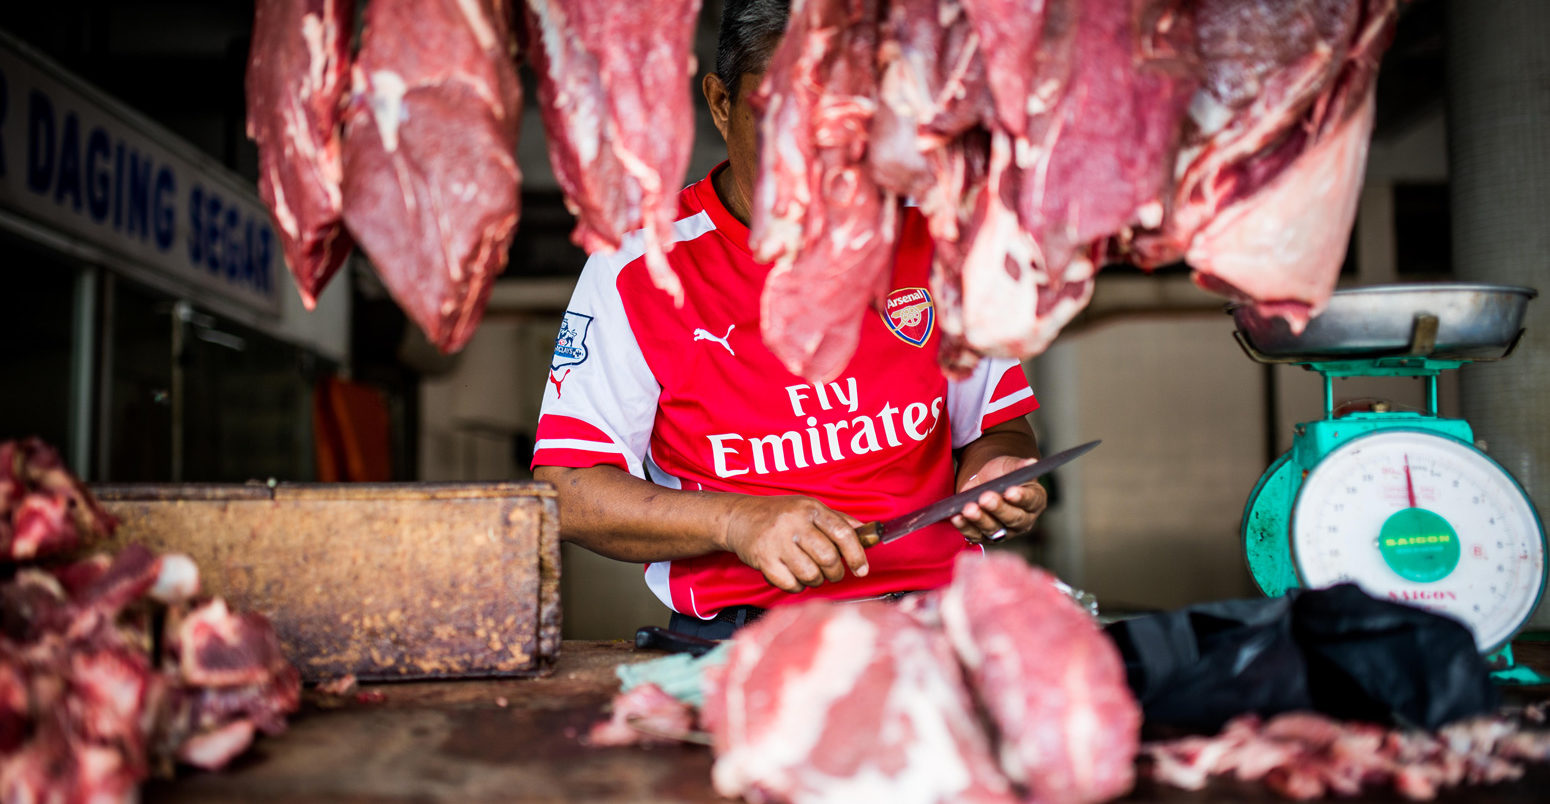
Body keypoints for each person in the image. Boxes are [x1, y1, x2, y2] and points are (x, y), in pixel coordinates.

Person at [532, 0, 1046, 640]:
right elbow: (571, 491)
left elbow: (999, 429)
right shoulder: (641, 271)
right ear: (721, 105)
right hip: (743, 639)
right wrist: (737, 523)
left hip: (938, 624)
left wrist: (996, 479)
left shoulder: (939, 235)